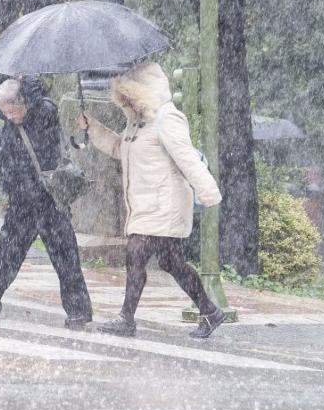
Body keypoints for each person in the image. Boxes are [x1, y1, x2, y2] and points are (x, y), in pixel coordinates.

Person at [78, 62, 224, 338]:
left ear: (146, 93)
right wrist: (93, 127)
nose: (128, 102)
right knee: (172, 264)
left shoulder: (168, 119)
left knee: (135, 253)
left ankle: (127, 318)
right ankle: (210, 311)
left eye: (132, 96)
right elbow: (120, 149)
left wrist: (208, 193)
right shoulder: (137, 124)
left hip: (164, 206)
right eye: (125, 98)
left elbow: (187, 158)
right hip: (144, 206)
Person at [0, 75, 92, 329]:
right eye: (5, 111)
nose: (8, 115)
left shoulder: (44, 111)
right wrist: (12, 76)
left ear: (25, 102)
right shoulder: (12, 117)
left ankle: (78, 311)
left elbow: (40, 152)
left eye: (12, 110)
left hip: (48, 198)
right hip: (21, 200)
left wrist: (25, 90)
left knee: (65, 255)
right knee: (6, 254)